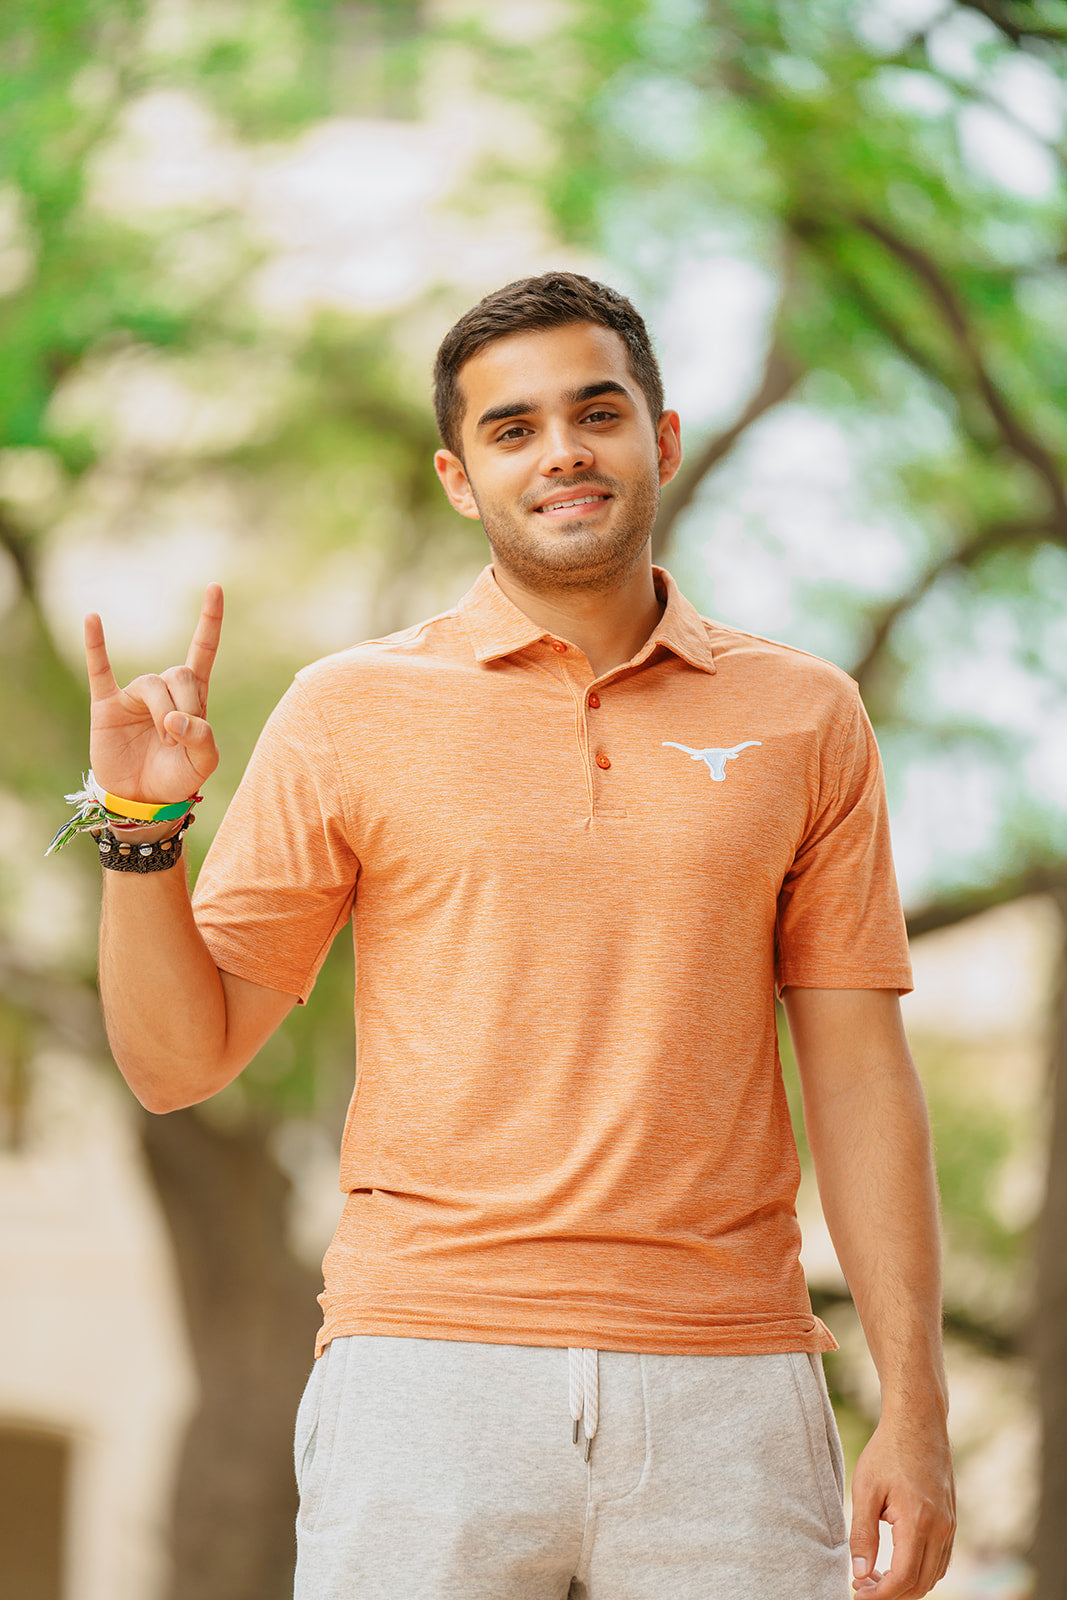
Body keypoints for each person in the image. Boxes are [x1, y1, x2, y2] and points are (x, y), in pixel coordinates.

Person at [69, 272, 954, 1599]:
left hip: (729, 1388)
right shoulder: (349, 711)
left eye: (595, 414)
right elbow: (176, 1062)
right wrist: (139, 823)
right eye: (513, 428)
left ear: (660, 438)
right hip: (425, 1379)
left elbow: (859, 1073)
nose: (561, 454)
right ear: (458, 476)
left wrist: (920, 1408)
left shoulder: (804, 716)